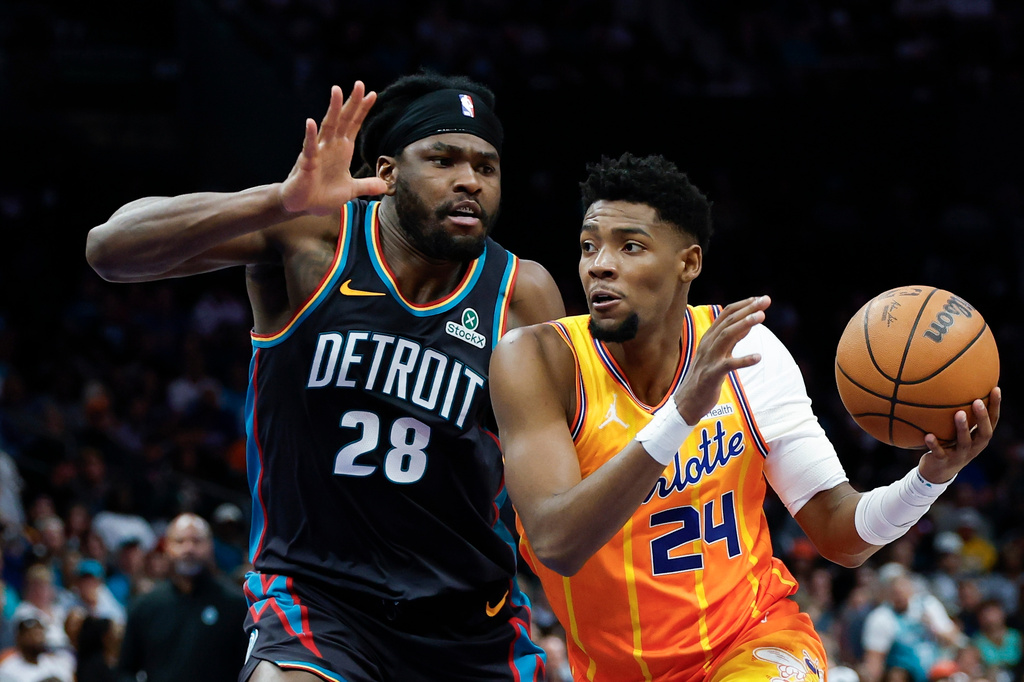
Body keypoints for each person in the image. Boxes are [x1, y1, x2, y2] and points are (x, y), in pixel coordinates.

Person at [86, 71, 565, 682]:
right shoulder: (315, 238)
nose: (469, 179)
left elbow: (550, 483)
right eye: (443, 159)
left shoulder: (523, 294)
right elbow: (111, 250)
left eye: (486, 166)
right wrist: (277, 200)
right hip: (320, 601)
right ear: (387, 174)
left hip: (471, 620)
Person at [487, 152, 1001, 681]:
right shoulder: (536, 360)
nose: (600, 263)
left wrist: (930, 478)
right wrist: (681, 413)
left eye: (631, 246)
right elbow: (556, 544)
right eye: (589, 246)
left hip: (755, 641)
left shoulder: (748, 351)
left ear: (688, 262)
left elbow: (840, 536)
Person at [117, 513, 249, 682]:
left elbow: (246, 670)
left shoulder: (235, 604)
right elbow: (125, 670)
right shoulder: (145, 605)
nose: (189, 549)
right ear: (166, 547)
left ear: (210, 545)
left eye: (197, 541)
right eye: (180, 541)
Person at [861, 563, 965, 682]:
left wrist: (933, 627)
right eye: (894, 590)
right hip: (904, 675)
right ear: (887, 592)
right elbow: (874, 659)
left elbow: (954, 639)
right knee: (897, 674)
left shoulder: (928, 605)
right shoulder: (881, 617)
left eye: (902, 586)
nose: (899, 593)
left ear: (910, 586)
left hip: (936, 672)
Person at [0, 613, 75, 682]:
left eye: (40, 633)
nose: (38, 639)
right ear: (19, 638)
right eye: (32, 634)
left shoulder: (56, 663)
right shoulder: (8, 668)